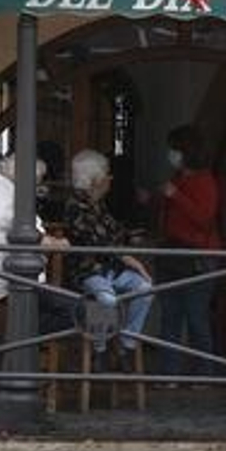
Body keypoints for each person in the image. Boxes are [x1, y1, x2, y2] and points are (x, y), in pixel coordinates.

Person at [0, 154, 75, 332]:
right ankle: (22, 340)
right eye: (37, 181)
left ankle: (22, 339)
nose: (37, 187)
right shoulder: (6, 195)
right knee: (77, 308)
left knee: (56, 306)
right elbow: (31, 235)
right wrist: (60, 243)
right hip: (3, 281)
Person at [64, 149, 154, 365]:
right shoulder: (75, 206)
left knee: (146, 290)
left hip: (111, 269)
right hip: (88, 271)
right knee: (106, 299)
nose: (110, 179)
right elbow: (100, 240)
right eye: (106, 174)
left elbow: (114, 231)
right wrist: (130, 259)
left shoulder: (97, 203)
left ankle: (126, 346)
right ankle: (100, 349)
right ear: (95, 179)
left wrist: (131, 235)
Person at [158, 125, 222, 375]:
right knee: (170, 316)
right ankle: (169, 373)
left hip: (197, 256)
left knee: (196, 317)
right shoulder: (177, 179)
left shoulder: (204, 181)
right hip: (173, 253)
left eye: (174, 148)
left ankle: (204, 372)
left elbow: (204, 218)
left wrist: (176, 196)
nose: (170, 154)